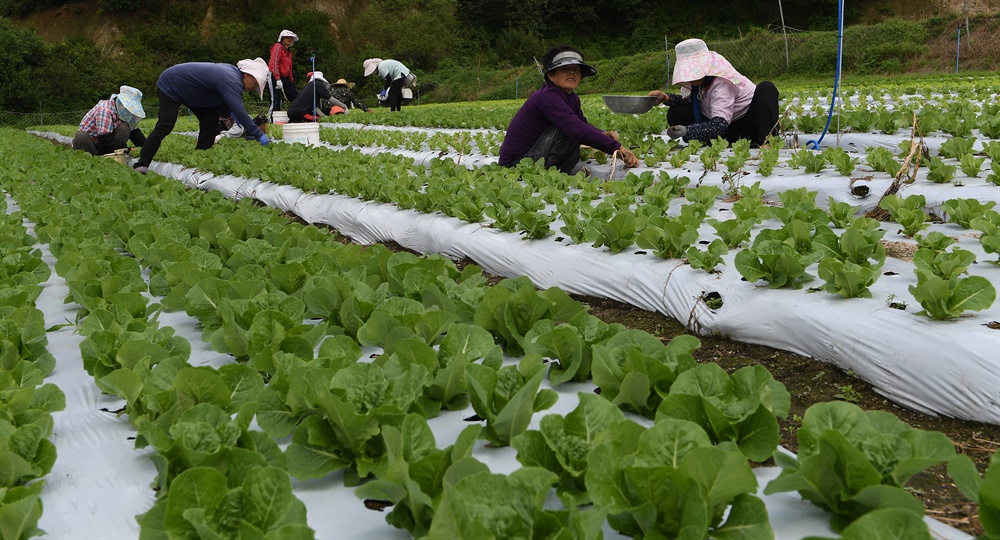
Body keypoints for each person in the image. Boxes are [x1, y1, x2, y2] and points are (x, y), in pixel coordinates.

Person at [498, 45, 639, 174]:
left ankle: (555, 171)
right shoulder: (547, 96)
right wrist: (616, 148)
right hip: (516, 165)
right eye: (565, 69)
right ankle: (550, 172)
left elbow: (582, 123)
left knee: (573, 128)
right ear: (551, 75)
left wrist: (603, 135)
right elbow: (575, 128)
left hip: (533, 157)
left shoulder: (571, 97)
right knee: (569, 130)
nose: (572, 72)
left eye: (576, 69)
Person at [132, 58, 271, 174]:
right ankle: (142, 163)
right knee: (165, 124)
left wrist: (237, 118)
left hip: (193, 93)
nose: (254, 88)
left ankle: (201, 154)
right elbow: (239, 110)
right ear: (247, 75)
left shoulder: (232, 77)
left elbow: (229, 108)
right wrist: (259, 135)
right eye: (255, 83)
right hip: (172, 84)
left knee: (210, 119)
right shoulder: (231, 79)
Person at [647, 38, 778, 146]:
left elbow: (720, 125)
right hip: (726, 131)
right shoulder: (694, 85)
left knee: (766, 88)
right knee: (677, 111)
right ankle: (706, 142)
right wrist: (666, 98)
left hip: (748, 126)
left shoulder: (721, 83)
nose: (692, 76)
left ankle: (765, 143)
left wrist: (687, 131)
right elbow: (690, 103)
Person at [72, 85, 147, 156]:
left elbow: (133, 131)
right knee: (81, 136)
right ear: (120, 103)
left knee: (124, 128)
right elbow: (105, 140)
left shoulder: (120, 112)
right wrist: (128, 149)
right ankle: (94, 158)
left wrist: (146, 146)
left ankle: (112, 156)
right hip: (91, 144)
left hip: (105, 144)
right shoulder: (104, 110)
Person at [269, 29, 300, 110]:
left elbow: (289, 68)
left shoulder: (289, 52)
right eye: (287, 37)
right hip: (274, 75)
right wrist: (277, 78)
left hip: (285, 77)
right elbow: (274, 63)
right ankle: (273, 119)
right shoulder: (278, 47)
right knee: (276, 99)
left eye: (291, 38)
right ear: (282, 38)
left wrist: (291, 81)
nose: (289, 40)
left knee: (296, 96)